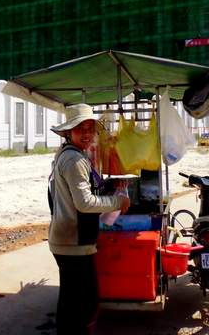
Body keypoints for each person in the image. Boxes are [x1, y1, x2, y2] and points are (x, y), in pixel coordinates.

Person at [48, 104, 130, 335]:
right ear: (68, 132)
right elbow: (84, 203)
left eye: (90, 129)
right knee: (83, 302)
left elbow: (82, 191)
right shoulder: (74, 160)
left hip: (68, 238)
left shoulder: (72, 155)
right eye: (80, 128)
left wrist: (108, 186)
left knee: (73, 300)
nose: (86, 134)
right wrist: (118, 203)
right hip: (72, 241)